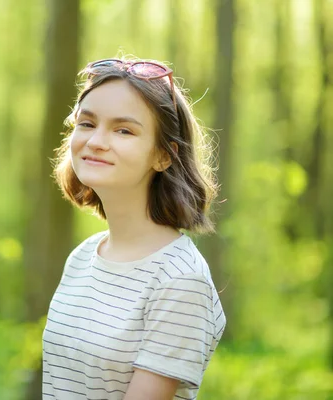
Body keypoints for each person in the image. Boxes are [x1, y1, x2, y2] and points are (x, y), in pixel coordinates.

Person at [42, 57, 226, 400]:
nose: (96, 140)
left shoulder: (180, 279)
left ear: (163, 156)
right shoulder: (83, 257)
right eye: (86, 123)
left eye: (123, 130)